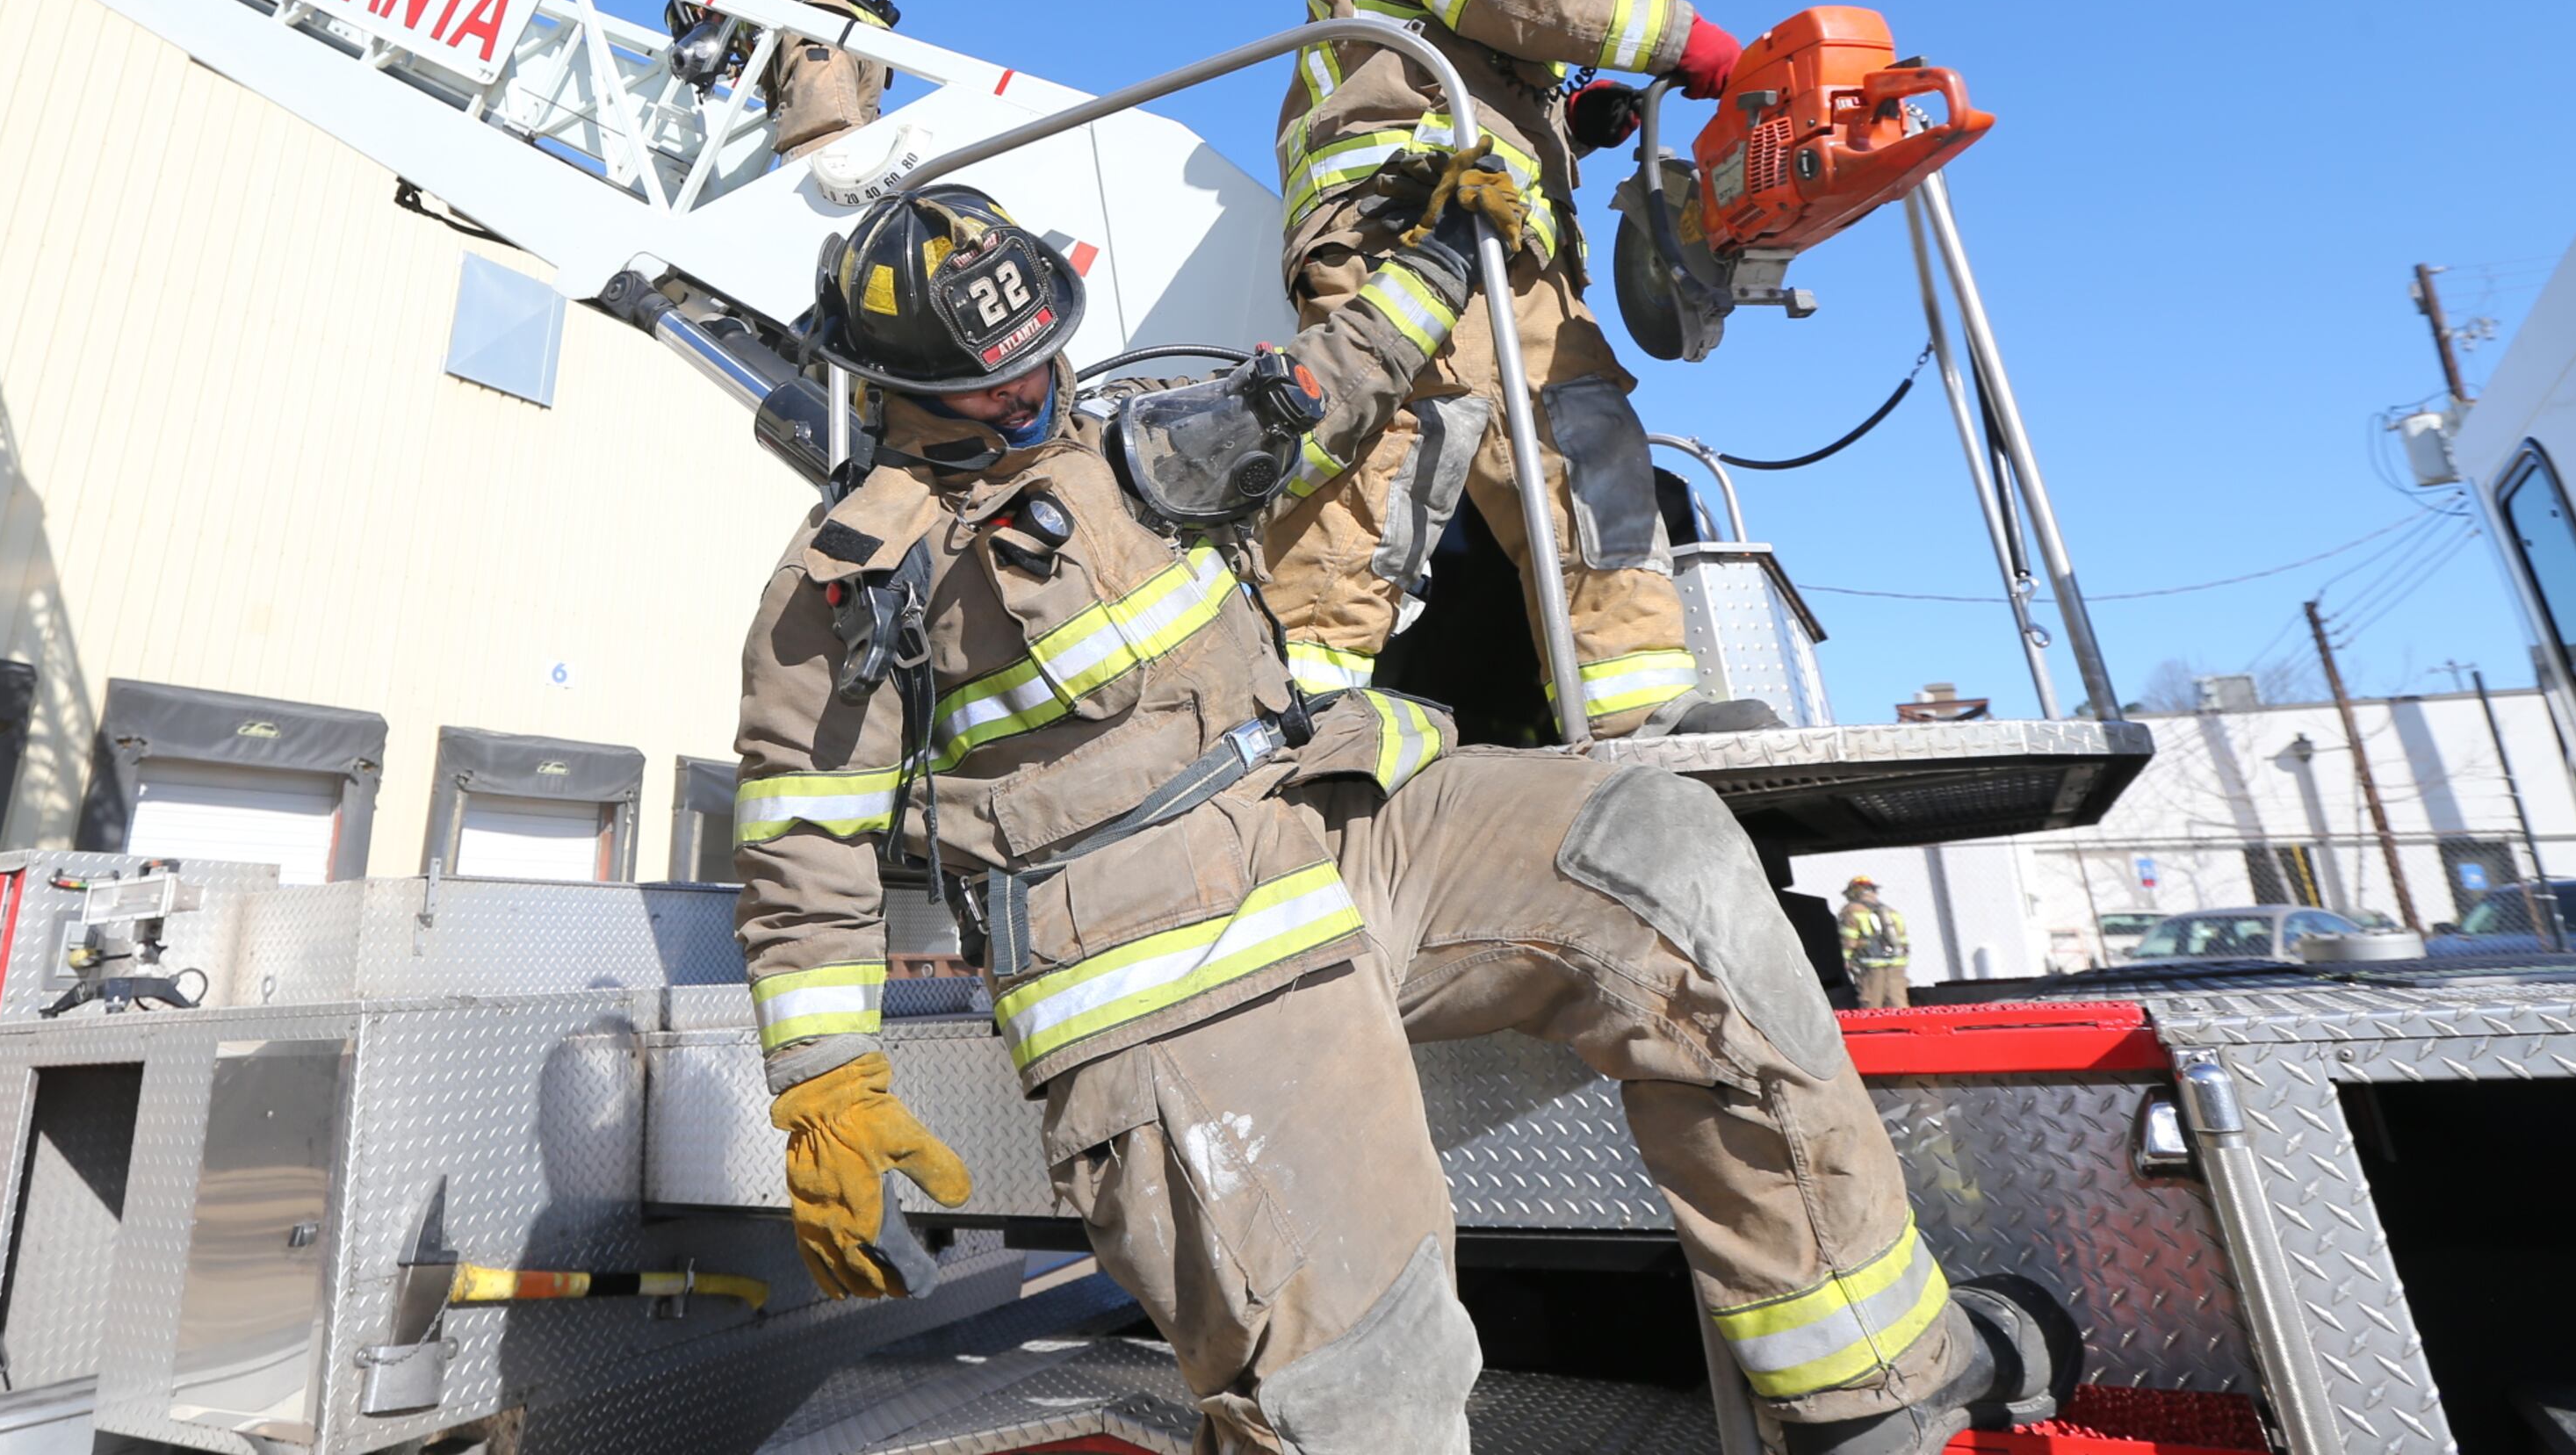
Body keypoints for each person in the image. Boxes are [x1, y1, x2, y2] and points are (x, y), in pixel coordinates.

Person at [733, 184, 2071, 1455]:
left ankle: (1870, 1394)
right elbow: (801, 845)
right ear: (899, 387)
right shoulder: (848, 582)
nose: (1033, 396)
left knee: (1656, 853)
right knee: (1368, 1385)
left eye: (1043, 360)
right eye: (990, 386)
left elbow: (1337, 382)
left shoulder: (1133, 438)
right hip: (1180, 964)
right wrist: (826, 1085)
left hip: (1341, 825)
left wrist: (1441, 251)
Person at [1261, 0, 1748, 738]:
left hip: (1505, 240)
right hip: (1405, 227)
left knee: (1589, 444)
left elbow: (1487, 61)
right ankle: (1306, 712)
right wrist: (1687, 40)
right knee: (1392, 442)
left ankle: (1638, 700)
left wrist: (1578, 122)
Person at [558, 0, 906, 160]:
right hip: (863, 52)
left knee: (821, 166)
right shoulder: (764, 8)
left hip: (819, 48)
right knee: (865, 170)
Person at [1842, 876, 1913, 1008]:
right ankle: (1904, 1027)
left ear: (1853, 892)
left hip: (1869, 966)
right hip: (1897, 964)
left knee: (1871, 1003)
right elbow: (1903, 940)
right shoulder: (1892, 912)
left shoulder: (1851, 910)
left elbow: (1848, 940)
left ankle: (1872, 1029)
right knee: (1898, 1001)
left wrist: (1844, 960)